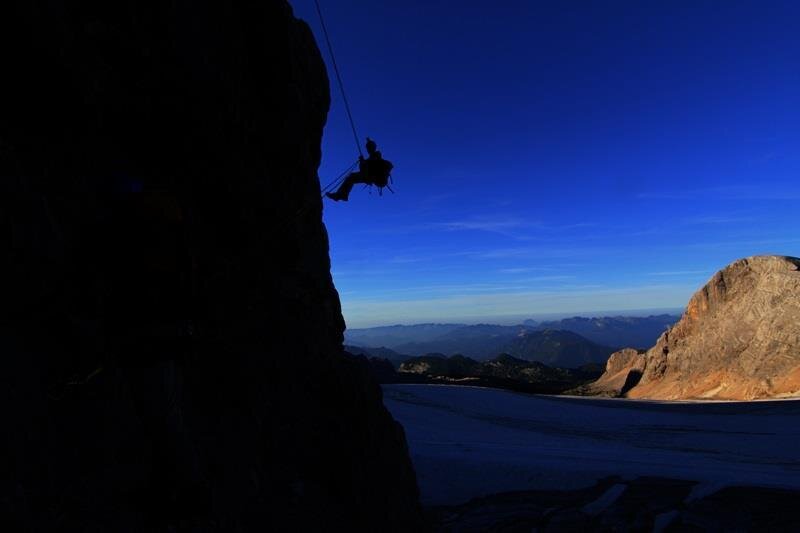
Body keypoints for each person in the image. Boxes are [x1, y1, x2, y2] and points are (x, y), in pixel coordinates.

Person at [326, 138, 393, 201]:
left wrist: (363, 162)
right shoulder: (373, 158)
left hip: (372, 176)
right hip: (371, 177)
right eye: (368, 148)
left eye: (369, 148)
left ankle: (342, 195)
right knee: (352, 177)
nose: (368, 150)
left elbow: (367, 168)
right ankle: (342, 195)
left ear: (373, 148)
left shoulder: (376, 157)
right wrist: (362, 162)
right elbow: (363, 170)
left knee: (351, 177)